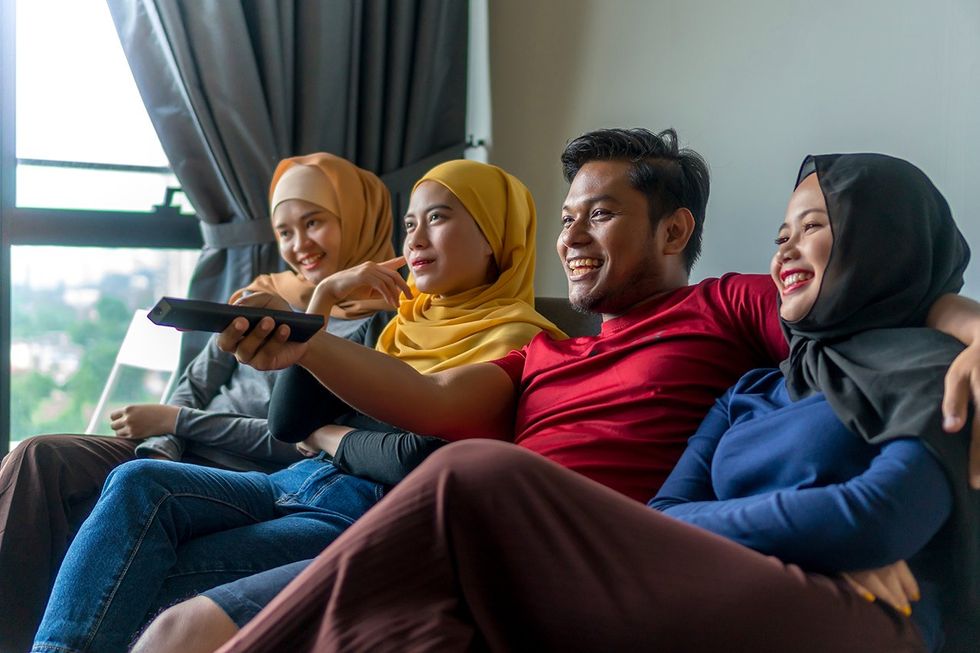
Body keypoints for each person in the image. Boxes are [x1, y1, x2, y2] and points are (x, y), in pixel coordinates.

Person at [211, 152, 979, 653]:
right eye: (566, 218)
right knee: (241, 624)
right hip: (548, 549)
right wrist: (306, 336)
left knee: (473, 475)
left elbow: (885, 298)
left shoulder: (725, 307)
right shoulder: (556, 354)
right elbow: (429, 399)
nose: (571, 235)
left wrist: (973, 328)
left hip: (618, 557)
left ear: (674, 230)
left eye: (600, 214)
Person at [30, 159, 564, 653]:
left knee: (140, 568)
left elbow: (414, 459)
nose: (416, 238)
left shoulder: (520, 343)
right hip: (295, 481)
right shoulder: (395, 323)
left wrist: (328, 435)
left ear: (494, 236)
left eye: (438, 218)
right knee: (138, 480)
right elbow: (289, 423)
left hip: (361, 515)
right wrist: (322, 298)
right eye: (409, 224)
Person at [0, 151, 396, 653]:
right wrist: (163, 443)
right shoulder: (264, 293)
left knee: (132, 498)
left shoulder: (377, 328)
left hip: (248, 469)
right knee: (40, 457)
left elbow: (302, 442)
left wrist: (177, 420)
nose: (299, 245)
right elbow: (196, 380)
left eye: (314, 222)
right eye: (285, 231)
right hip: (181, 448)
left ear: (358, 219)